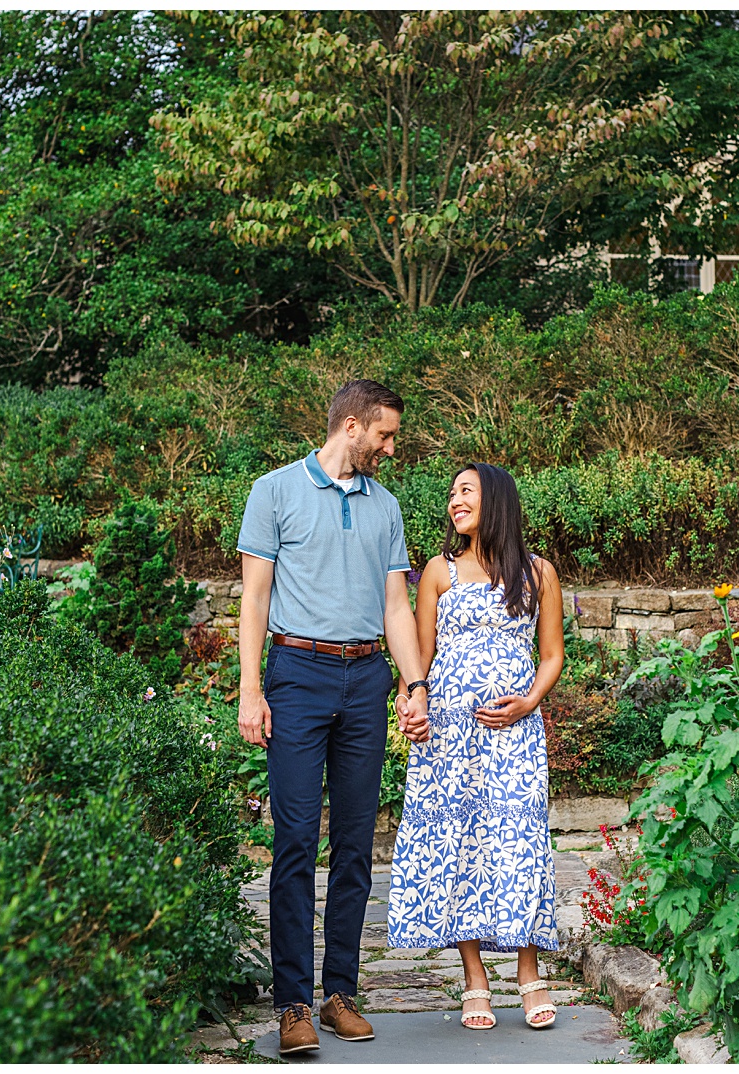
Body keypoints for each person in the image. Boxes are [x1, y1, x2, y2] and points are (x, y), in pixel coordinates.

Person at [236, 379, 432, 1056]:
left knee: (353, 845)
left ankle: (339, 992)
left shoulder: (386, 507)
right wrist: (249, 689)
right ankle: (291, 1003)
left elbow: (396, 608)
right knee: (293, 842)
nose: (390, 446)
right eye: (385, 434)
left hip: (364, 678)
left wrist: (414, 684)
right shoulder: (274, 492)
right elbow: (254, 601)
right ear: (351, 427)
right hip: (296, 676)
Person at [386, 462, 565, 1031]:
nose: (454, 501)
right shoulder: (439, 572)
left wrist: (528, 702)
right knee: (458, 843)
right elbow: (420, 656)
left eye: (466, 491)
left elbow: (552, 655)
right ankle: (474, 978)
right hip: (448, 736)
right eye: (452, 494)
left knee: (517, 841)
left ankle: (528, 970)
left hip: (511, 732)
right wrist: (410, 704)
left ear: (497, 500)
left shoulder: (539, 573)